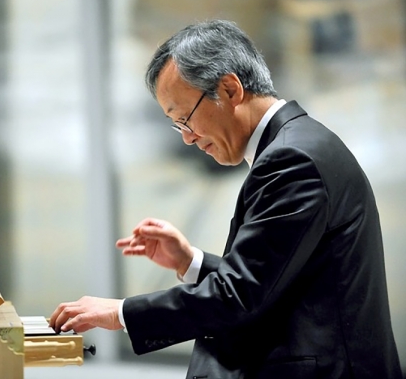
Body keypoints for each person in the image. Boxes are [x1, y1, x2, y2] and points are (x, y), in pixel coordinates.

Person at [49, 20, 402, 378]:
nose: (187, 138)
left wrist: (120, 313)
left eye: (185, 118)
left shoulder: (293, 160)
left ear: (230, 89)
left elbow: (240, 296)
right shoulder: (295, 145)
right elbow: (271, 283)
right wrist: (191, 262)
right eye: (177, 125)